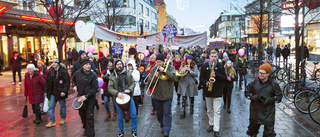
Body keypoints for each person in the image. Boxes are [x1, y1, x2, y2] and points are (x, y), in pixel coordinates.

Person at [245, 63, 282, 137]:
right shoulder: (254, 82)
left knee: (269, 133)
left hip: (268, 111)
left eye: (262, 73)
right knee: (253, 130)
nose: (260, 75)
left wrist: (270, 100)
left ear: (268, 74)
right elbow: (247, 92)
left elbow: (279, 97)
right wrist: (252, 97)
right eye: (259, 72)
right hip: (256, 110)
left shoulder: (274, 84)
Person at [199, 50, 229, 137]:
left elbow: (225, 78)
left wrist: (217, 75)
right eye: (212, 56)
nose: (213, 58)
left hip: (218, 91)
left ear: (217, 57)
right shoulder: (204, 66)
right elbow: (201, 79)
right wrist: (206, 82)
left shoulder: (220, 66)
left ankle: (216, 129)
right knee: (209, 110)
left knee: (217, 111)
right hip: (208, 91)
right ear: (209, 57)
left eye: (215, 56)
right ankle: (211, 124)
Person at [147, 53, 176, 137]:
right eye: (157, 62)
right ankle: (162, 125)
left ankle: (166, 129)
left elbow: (173, 77)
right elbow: (149, 83)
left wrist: (165, 71)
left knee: (166, 112)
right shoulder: (153, 69)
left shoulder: (170, 68)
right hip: (157, 95)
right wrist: (155, 77)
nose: (158, 64)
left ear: (163, 62)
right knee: (159, 113)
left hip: (167, 95)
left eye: (159, 62)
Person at [108, 59, 137, 137]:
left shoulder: (128, 73)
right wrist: (117, 93)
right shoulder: (113, 76)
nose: (119, 65)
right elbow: (109, 88)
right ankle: (121, 131)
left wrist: (130, 90)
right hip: (118, 98)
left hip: (129, 96)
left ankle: (134, 130)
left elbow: (133, 83)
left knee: (133, 114)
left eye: (120, 64)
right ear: (115, 66)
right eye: (117, 64)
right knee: (120, 117)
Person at [73, 59, 99, 137]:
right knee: (82, 114)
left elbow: (94, 88)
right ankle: (85, 128)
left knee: (89, 116)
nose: (88, 66)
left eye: (89, 64)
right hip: (80, 98)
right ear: (83, 66)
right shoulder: (77, 73)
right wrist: (74, 86)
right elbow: (73, 80)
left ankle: (90, 133)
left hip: (90, 98)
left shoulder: (93, 75)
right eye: (86, 64)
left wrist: (86, 96)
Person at [45, 58, 70, 128]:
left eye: (55, 62)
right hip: (53, 92)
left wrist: (64, 91)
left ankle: (63, 118)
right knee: (51, 106)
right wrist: (46, 91)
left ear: (58, 63)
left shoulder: (63, 72)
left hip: (60, 92)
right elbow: (47, 82)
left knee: (62, 106)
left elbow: (67, 82)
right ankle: (52, 120)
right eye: (53, 62)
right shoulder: (50, 72)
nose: (54, 64)